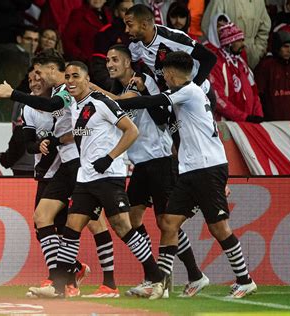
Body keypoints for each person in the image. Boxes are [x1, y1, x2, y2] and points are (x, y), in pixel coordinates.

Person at [0, 60, 167, 300]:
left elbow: (132, 131)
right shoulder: (75, 106)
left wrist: (110, 157)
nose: (71, 81)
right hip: (85, 177)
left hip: (108, 175)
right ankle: (57, 286)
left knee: (122, 227)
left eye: (76, 76)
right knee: (71, 230)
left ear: (87, 80)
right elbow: (75, 132)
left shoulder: (101, 103)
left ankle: (157, 278)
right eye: (68, 77)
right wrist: (55, 141)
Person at [117, 51, 257, 299]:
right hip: (190, 170)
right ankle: (162, 284)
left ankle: (245, 280)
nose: (164, 78)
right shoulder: (185, 97)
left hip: (206, 169)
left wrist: (113, 103)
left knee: (219, 228)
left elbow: (151, 103)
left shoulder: (188, 91)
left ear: (169, 74)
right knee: (169, 223)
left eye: (164, 75)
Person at [0, 50, 120, 298]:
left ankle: (97, 282)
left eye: (38, 73)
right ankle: (64, 280)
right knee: (49, 220)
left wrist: (13, 94)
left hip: (82, 163)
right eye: (32, 76)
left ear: (51, 70)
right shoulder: (42, 99)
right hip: (66, 164)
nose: (35, 78)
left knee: (99, 223)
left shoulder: (66, 88)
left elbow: (56, 108)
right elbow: (33, 135)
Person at [94, 44, 208, 298]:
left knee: (165, 221)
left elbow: (129, 103)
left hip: (159, 159)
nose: (110, 64)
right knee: (133, 220)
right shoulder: (120, 88)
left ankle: (186, 276)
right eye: (108, 60)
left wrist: (93, 90)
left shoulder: (141, 80)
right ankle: (157, 276)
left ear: (127, 63)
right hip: (141, 163)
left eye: (115, 59)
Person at [124, 4, 217, 108]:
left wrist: (192, 88)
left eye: (130, 25)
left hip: (200, 95)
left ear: (144, 25)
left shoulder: (173, 38)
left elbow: (210, 58)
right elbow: (131, 65)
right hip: (173, 98)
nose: (126, 30)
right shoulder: (134, 45)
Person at [209, 23, 264, 122]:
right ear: (229, 43)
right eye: (238, 41)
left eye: (242, 40)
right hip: (226, 125)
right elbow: (218, 100)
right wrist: (244, 117)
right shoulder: (216, 64)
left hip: (247, 123)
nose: (243, 44)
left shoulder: (242, 64)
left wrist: (258, 116)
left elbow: (254, 92)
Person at [201, 0, 271, 69]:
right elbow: (210, 29)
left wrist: (257, 51)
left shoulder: (259, 2)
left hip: (252, 56)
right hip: (227, 57)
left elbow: (265, 28)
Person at [255, 30, 290, 121]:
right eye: (285, 47)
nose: (289, 50)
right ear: (277, 47)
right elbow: (259, 96)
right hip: (273, 124)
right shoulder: (265, 66)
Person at [90, 0, 134, 91]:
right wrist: (116, 88)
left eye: (131, 10)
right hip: (113, 88)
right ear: (116, 12)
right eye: (124, 10)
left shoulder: (138, 32)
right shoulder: (105, 33)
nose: (129, 14)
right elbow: (99, 67)